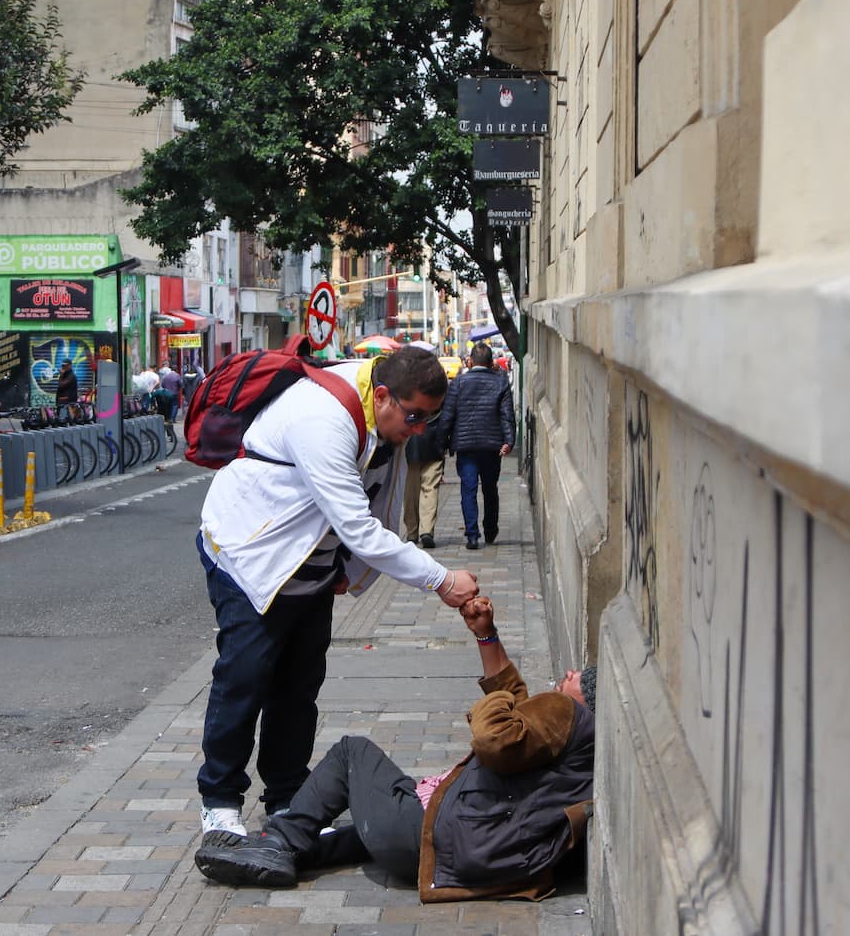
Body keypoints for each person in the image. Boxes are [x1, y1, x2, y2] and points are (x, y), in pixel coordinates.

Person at [196, 346, 481, 839]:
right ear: (385, 394)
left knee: (298, 688)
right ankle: (219, 802)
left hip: (309, 569)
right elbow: (359, 525)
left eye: (428, 421)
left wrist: (349, 570)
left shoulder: (382, 412)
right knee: (243, 679)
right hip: (250, 558)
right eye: (414, 417)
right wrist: (440, 578)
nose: (418, 431)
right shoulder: (323, 417)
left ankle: (285, 797)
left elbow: (379, 505)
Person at [194, 595, 597, 903]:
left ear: (590, 698)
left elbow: (495, 737)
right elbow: (518, 712)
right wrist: (486, 636)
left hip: (434, 837)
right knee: (359, 829)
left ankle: (278, 842)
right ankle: (286, 852)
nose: (570, 673)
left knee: (353, 753)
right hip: (461, 850)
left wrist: (500, 706)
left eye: (583, 677)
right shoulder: (584, 745)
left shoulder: (566, 712)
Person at [442, 343, 516, 550]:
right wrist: (509, 442)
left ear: (471, 361)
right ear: (491, 362)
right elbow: (507, 416)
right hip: (492, 447)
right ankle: (491, 530)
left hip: (465, 447)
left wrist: (443, 443)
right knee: (490, 489)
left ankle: (472, 535)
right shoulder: (500, 383)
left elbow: (448, 416)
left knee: (468, 490)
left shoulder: (458, 383)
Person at [402, 407, 447, 548]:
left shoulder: (403, 388)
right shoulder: (439, 388)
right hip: (433, 440)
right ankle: (426, 530)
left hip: (409, 442)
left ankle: (412, 531)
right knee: (430, 489)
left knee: (410, 492)